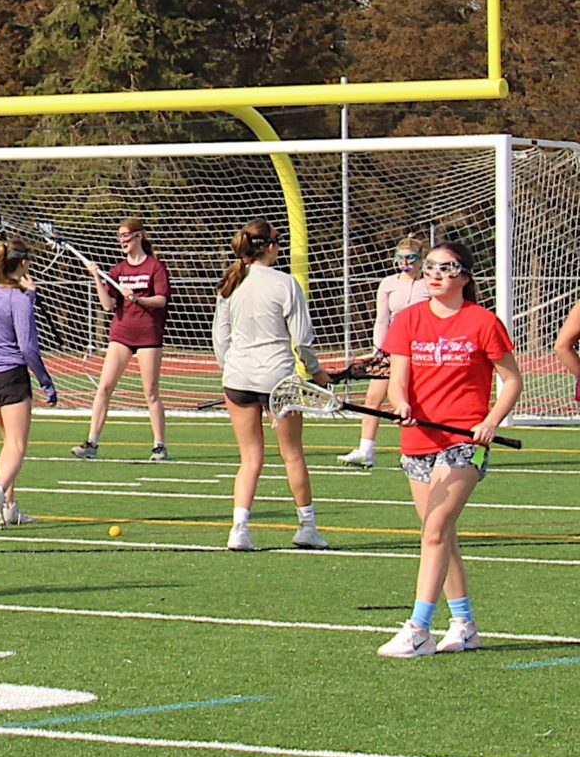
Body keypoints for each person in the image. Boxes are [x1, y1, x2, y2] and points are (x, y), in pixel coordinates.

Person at [374, 241, 519, 657]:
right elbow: (398, 380)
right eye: (430, 267)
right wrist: (399, 404)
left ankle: (418, 628)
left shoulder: (482, 322)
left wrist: (490, 421)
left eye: (446, 268)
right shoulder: (408, 320)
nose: (435, 274)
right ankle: (464, 623)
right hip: (418, 439)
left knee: (435, 528)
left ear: (465, 276)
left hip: (464, 442)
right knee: (440, 533)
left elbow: (511, 379)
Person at [212, 219, 327, 551]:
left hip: (238, 379)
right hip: (277, 380)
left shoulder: (232, 282)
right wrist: (317, 373)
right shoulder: (285, 283)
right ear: (270, 247)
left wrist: (229, 370)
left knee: (250, 459)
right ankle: (306, 527)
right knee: (292, 455)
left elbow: (221, 337)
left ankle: (239, 529)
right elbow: (303, 340)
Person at [0, 241, 59, 528]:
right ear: (22, 264)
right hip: (10, 375)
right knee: (18, 445)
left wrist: (29, 297)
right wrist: (46, 382)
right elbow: (28, 348)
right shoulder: (19, 298)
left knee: (7, 442)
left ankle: (10, 507)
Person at [71, 216, 170, 462]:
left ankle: (159, 446)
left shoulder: (155, 267)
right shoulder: (118, 270)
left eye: (126, 235)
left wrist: (137, 299)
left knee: (150, 392)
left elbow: (161, 300)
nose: (122, 240)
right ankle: (91, 442)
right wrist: (96, 277)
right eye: (120, 237)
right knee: (104, 387)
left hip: (148, 335)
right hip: (121, 334)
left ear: (139, 236)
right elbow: (108, 306)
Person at [340, 232, 433, 471]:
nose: (405, 264)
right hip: (392, 349)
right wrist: (379, 350)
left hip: (421, 350)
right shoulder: (389, 284)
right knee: (373, 398)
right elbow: (382, 320)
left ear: (421, 259)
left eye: (411, 258)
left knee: (413, 401)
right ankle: (365, 450)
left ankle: (417, 451)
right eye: (401, 258)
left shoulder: (429, 284)